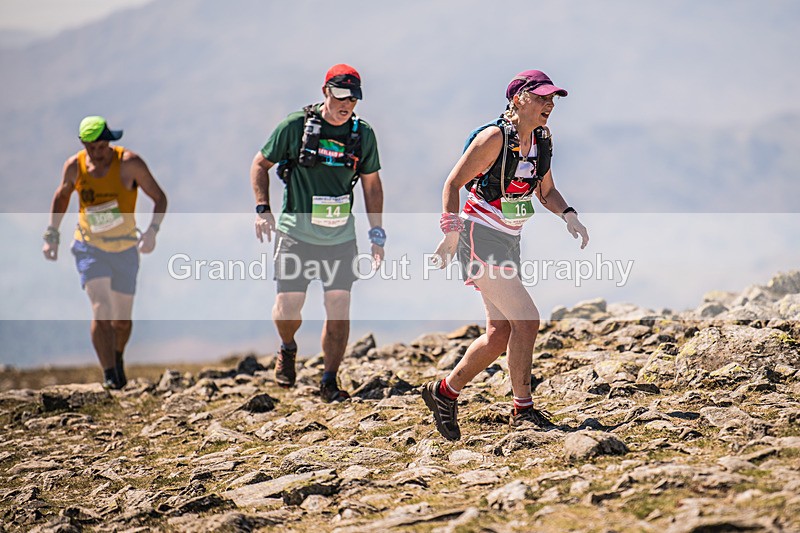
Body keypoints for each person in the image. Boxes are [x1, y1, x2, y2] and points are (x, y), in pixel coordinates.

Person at [423, 70, 589, 440]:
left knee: (499, 335)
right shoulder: (494, 138)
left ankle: (444, 392)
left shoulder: (542, 141)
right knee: (527, 321)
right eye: (542, 97)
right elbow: (452, 183)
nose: (549, 104)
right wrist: (450, 233)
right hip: (478, 237)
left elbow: (546, 191)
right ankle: (523, 410)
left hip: (509, 239)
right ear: (518, 99)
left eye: (553, 99)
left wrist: (569, 215)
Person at [250, 64, 385, 402]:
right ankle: (288, 346)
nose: (347, 104)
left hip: (340, 238)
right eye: (341, 96)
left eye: (353, 99)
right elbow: (259, 164)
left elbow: (372, 184)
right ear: (325, 91)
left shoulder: (362, 134)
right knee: (288, 307)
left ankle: (329, 379)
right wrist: (263, 209)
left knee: (338, 306)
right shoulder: (296, 126)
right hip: (296, 234)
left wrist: (377, 232)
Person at [43, 116, 167, 390]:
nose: (97, 153)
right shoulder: (75, 167)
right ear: (83, 144)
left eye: (102, 146)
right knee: (101, 307)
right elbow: (62, 196)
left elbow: (159, 197)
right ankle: (109, 373)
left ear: (109, 142)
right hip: (89, 247)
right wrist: (52, 235)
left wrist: (152, 232)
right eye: (91, 147)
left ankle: (117, 356)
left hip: (124, 248)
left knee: (121, 321)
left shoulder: (129, 163)